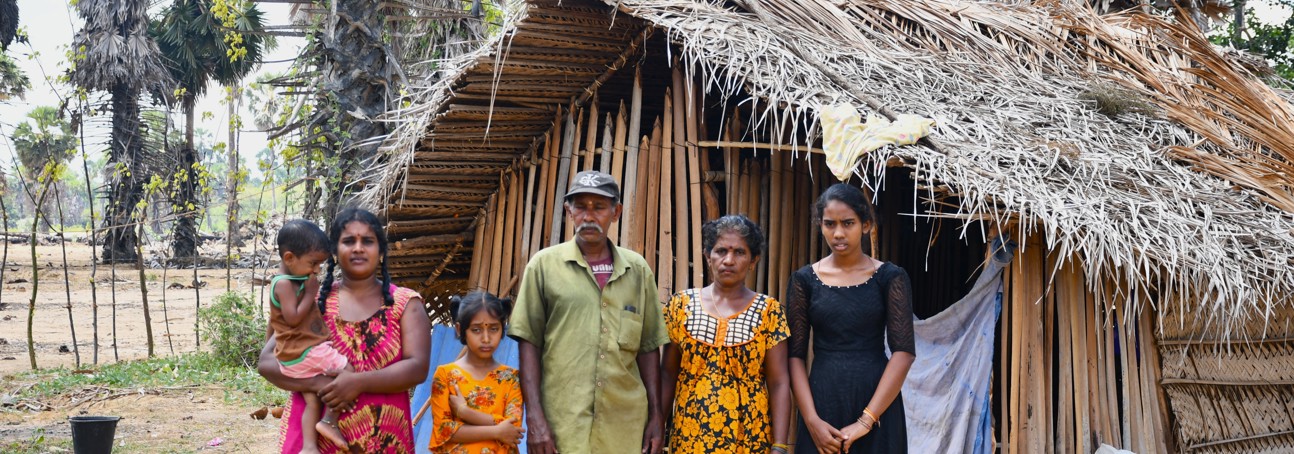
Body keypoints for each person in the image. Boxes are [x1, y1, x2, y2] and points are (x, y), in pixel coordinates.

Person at [510, 170, 670, 454]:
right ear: (568, 210)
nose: (589, 216)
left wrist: (656, 415)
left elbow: (647, 349)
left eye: (599, 207)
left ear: (616, 212)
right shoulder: (543, 266)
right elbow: (529, 343)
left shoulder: (638, 270)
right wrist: (534, 418)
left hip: (625, 426)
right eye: (581, 206)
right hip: (563, 426)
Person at [259, 208, 432, 453]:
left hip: (384, 442)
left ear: (381, 251)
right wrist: (320, 385)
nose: (358, 248)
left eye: (368, 241)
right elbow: (267, 362)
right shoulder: (310, 301)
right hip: (312, 445)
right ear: (334, 252)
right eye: (349, 241)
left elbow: (417, 367)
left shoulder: (405, 304)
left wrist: (358, 382)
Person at [786, 183, 916, 454]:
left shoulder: (890, 278)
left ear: (866, 225)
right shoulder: (804, 280)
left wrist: (866, 421)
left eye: (848, 223)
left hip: (877, 404)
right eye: (829, 224)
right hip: (822, 403)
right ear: (820, 225)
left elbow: (904, 353)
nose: (838, 233)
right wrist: (811, 421)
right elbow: (794, 356)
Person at [661, 215, 792, 454]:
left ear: (753, 260)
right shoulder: (681, 305)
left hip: (750, 437)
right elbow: (668, 374)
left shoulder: (769, 311)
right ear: (707, 255)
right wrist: (658, 427)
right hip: (691, 434)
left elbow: (779, 382)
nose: (728, 260)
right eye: (721, 251)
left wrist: (780, 446)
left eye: (740, 252)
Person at [268, 219, 353, 452]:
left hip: (292, 356)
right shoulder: (284, 285)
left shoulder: (290, 280)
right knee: (349, 371)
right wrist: (310, 293)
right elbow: (293, 318)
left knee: (312, 400)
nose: (316, 270)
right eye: (313, 263)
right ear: (289, 258)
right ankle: (329, 421)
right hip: (304, 352)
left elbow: (273, 325)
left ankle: (308, 447)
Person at [428, 290, 526, 453]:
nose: (486, 338)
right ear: (460, 329)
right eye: (476, 330)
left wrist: (465, 412)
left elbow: (512, 429)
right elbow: (444, 431)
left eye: (494, 329)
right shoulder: (445, 375)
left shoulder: (511, 378)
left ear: (503, 328)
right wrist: (496, 431)